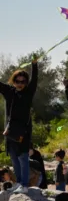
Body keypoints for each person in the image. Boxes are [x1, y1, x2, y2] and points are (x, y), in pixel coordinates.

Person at [1, 60, 38, 194]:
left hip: (23, 131)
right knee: (14, 158)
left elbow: (35, 80)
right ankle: (18, 183)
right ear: (13, 81)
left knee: (23, 158)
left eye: (23, 82)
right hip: (10, 131)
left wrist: (34, 65)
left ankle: (24, 185)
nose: (20, 84)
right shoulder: (9, 91)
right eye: (18, 81)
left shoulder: (28, 93)